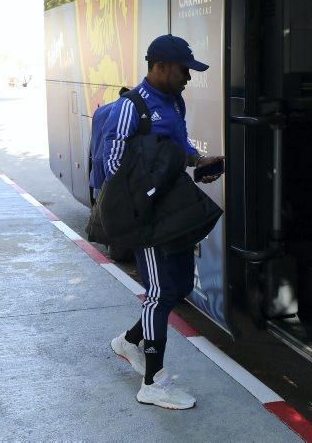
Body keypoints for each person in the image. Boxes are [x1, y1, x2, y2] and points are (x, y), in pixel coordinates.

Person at [103, 34, 223, 409]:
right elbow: (112, 166)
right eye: (184, 70)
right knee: (159, 294)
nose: (188, 77)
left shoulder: (175, 102)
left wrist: (196, 161)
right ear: (161, 67)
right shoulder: (130, 107)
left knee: (181, 285)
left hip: (174, 211)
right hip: (147, 217)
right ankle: (152, 383)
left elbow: (180, 147)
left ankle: (128, 341)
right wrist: (146, 191)